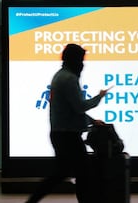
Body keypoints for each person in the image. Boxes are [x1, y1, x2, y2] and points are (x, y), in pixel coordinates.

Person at [26, 44, 109, 203]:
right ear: (75, 60)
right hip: (68, 136)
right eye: (81, 60)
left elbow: (70, 109)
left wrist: (92, 121)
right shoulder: (69, 79)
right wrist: (99, 97)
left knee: (68, 173)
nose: (83, 64)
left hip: (61, 134)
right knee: (82, 173)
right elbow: (79, 107)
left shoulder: (60, 75)